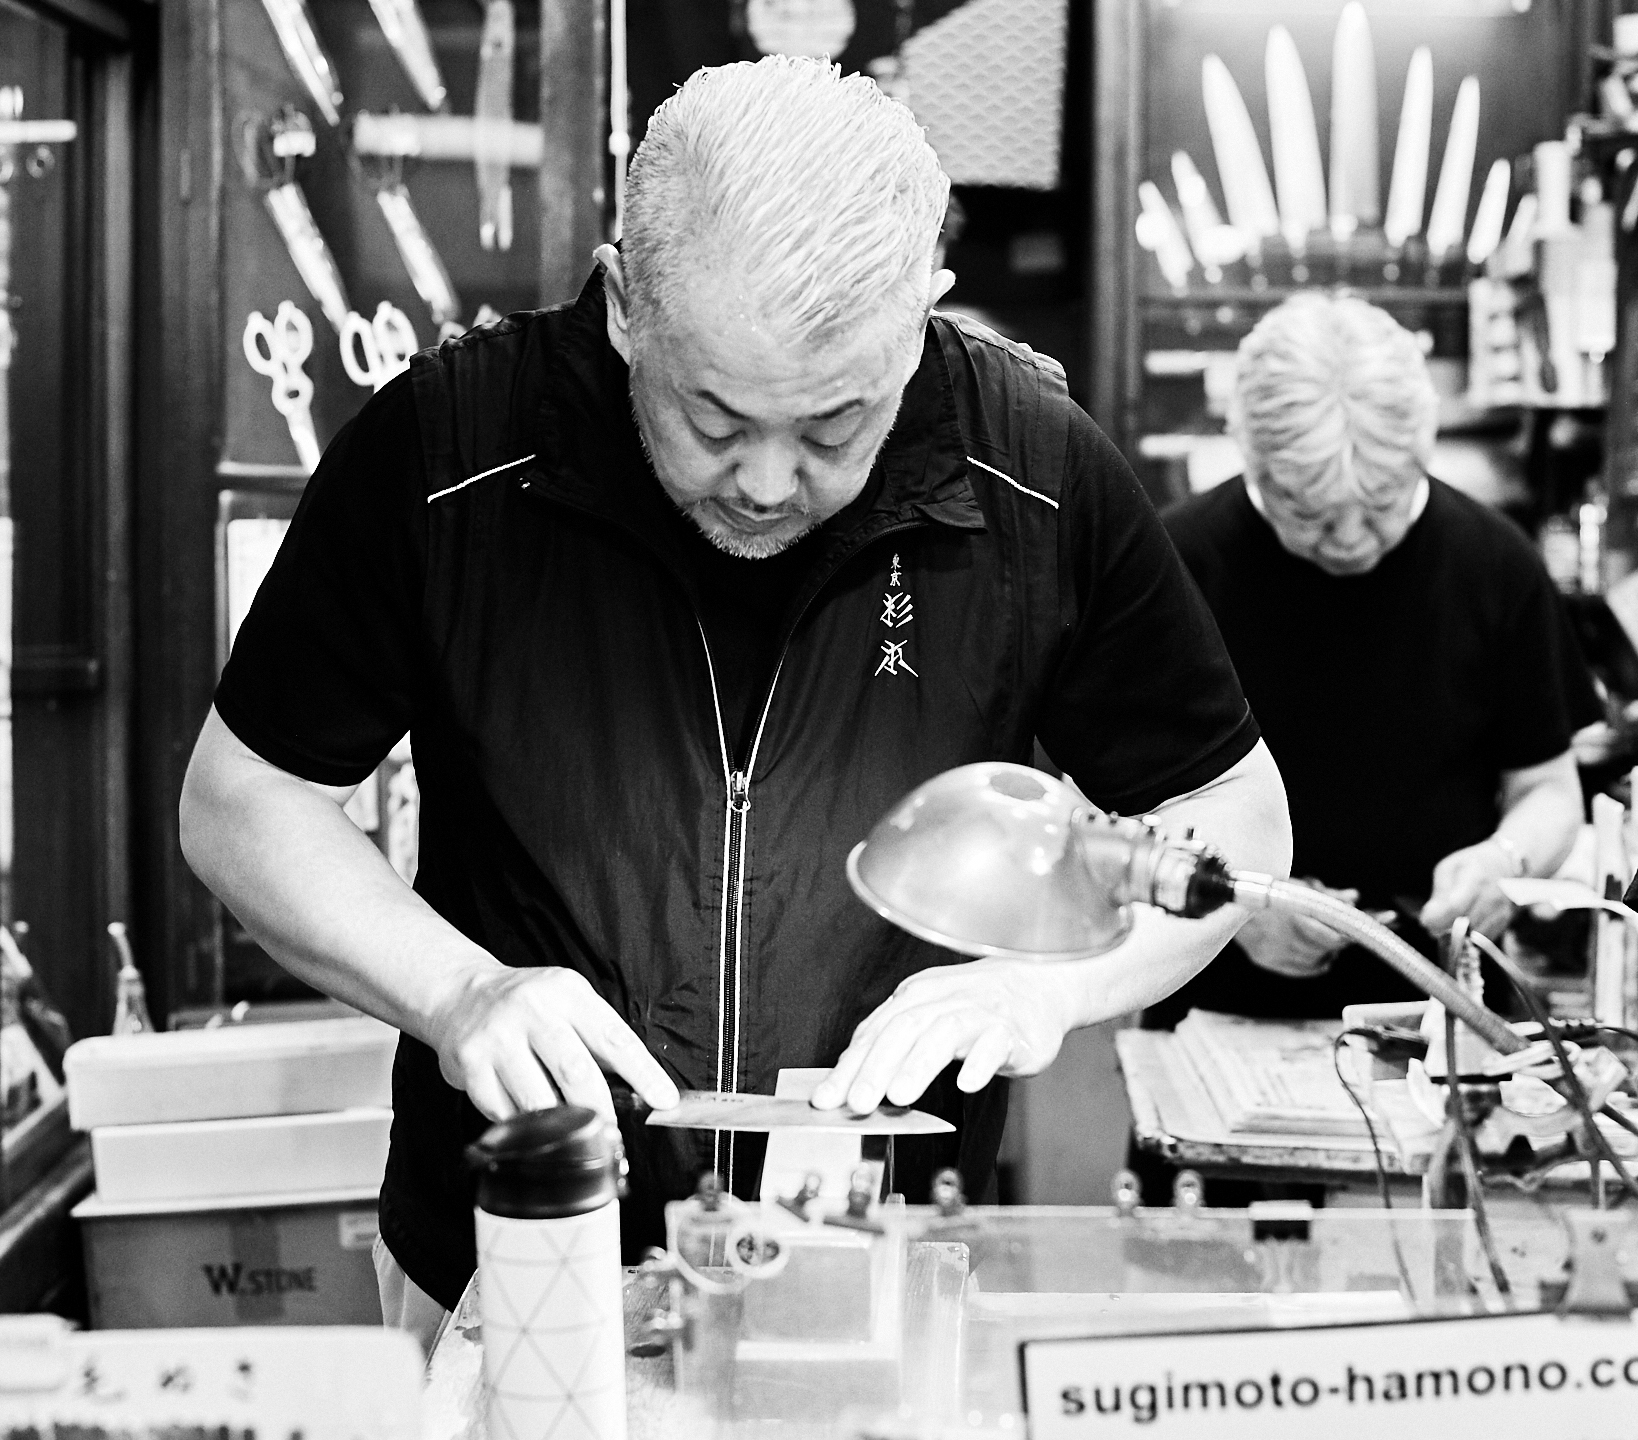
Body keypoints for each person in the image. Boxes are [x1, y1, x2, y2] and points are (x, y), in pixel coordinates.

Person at [179, 56, 1291, 1349]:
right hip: (514, 1257)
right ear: (623, 306)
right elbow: (243, 802)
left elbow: (1235, 819)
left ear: (924, 314)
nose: (767, 481)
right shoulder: (446, 456)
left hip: (877, 1281)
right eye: (713, 417)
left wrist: (1044, 991)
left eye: (834, 426)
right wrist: (460, 994)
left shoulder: (1032, 478)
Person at [1148, 291, 1589, 1033]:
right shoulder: (1172, 567)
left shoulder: (1497, 565)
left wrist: (1506, 858)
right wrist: (1230, 912)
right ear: (1250, 458)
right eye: (1310, 515)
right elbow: (1110, 808)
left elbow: (1550, 790)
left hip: (1445, 1019)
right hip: (1221, 1013)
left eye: (1383, 503)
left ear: (1424, 447)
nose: (1351, 540)